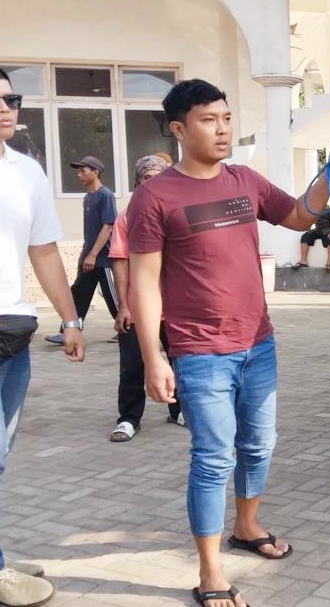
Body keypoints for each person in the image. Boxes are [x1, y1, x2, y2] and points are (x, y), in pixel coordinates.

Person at [126, 78, 330, 607]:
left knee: (259, 445)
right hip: (200, 352)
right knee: (212, 458)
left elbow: (299, 215)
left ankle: (247, 526)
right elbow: (143, 282)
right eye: (209, 119)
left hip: (259, 344)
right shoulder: (154, 196)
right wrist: (154, 358)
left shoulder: (244, 180)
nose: (222, 128)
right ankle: (210, 572)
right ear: (180, 129)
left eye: (226, 117)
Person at [0, 66, 85, 607]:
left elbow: (45, 251)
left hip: (11, 334)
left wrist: (71, 319)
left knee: (1, 455)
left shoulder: (25, 171)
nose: (4, 106)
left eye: (10, 98)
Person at [108, 154, 183, 442]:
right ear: (137, 183)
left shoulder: (177, 212)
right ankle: (128, 419)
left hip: (175, 306)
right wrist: (124, 306)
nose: (151, 183)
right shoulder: (127, 217)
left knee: (181, 362)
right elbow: (120, 260)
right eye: (145, 178)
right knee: (132, 366)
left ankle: (179, 410)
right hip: (139, 308)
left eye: (157, 177)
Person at [44, 155, 119, 345]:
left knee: (113, 297)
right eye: (78, 171)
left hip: (103, 259)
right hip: (88, 257)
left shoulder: (105, 195)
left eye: (83, 170)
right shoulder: (88, 197)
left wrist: (94, 255)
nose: (79, 175)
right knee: (79, 294)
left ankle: (128, 329)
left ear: (96, 172)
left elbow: (108, 226)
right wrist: (86, 255)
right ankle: (69, 330)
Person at [294, 204, 330, 270]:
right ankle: (303, 261)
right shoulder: (315, 209)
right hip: (318, 229)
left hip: (329, 229)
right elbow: (311, 220)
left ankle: (328, 263)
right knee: (305, 237)